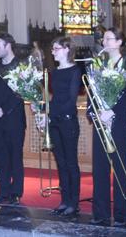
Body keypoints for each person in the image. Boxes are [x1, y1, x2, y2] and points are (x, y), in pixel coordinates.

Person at [89, 27, 126, 227]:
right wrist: (96, 113)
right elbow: (92, 91)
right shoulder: (97, 64)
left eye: (109, 39)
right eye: (104, 39)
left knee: (119, 168)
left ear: (119, 42)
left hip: (118, 123)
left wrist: (113, 112)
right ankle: (100, 212)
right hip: (101, 122)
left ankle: (121, 214)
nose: (104, 42)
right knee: (99, 169)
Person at [0, 32, 26, 206]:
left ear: (8, 46)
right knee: (0, 157)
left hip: (14, 119)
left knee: (15, 157)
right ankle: (3, 192)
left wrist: (4, 109)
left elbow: (20, 93)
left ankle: (15, 192)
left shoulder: (21, 66)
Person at [49, 36, 81, 217]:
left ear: (67, 49)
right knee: (60, 162)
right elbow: (55, 97)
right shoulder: (54, 72)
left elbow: (71, 99)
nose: (53, 52)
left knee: (70, 163)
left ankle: (73, 203)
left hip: (68, 121)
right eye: (53, 49)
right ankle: (64, 200)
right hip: (55, 121)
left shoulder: (75, 70)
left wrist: (54, 112)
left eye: (56, 48)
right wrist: (45, 110)